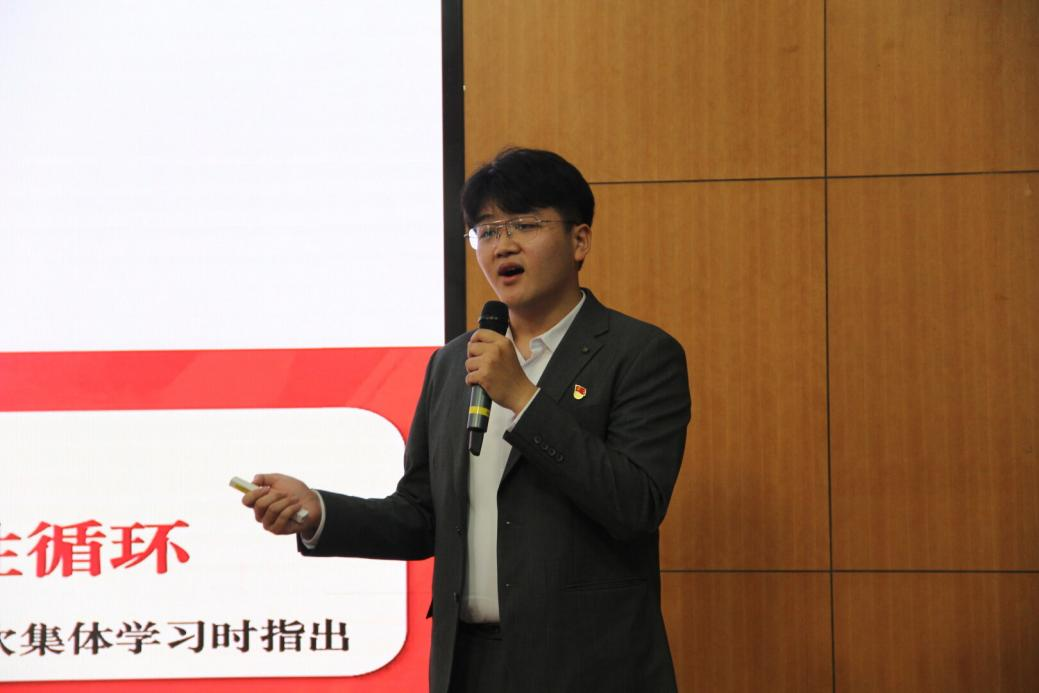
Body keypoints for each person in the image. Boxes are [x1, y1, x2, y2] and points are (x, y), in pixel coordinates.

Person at [243, 147, 691, 692]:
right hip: (469, 665)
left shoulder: (639, 354)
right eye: (487, 230)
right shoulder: (453, 362)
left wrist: (523, 398)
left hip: (588, 666)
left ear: (579, 241)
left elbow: (635, 504)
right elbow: (422, 515)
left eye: (525, 224)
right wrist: (319, 512)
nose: (503, 244)